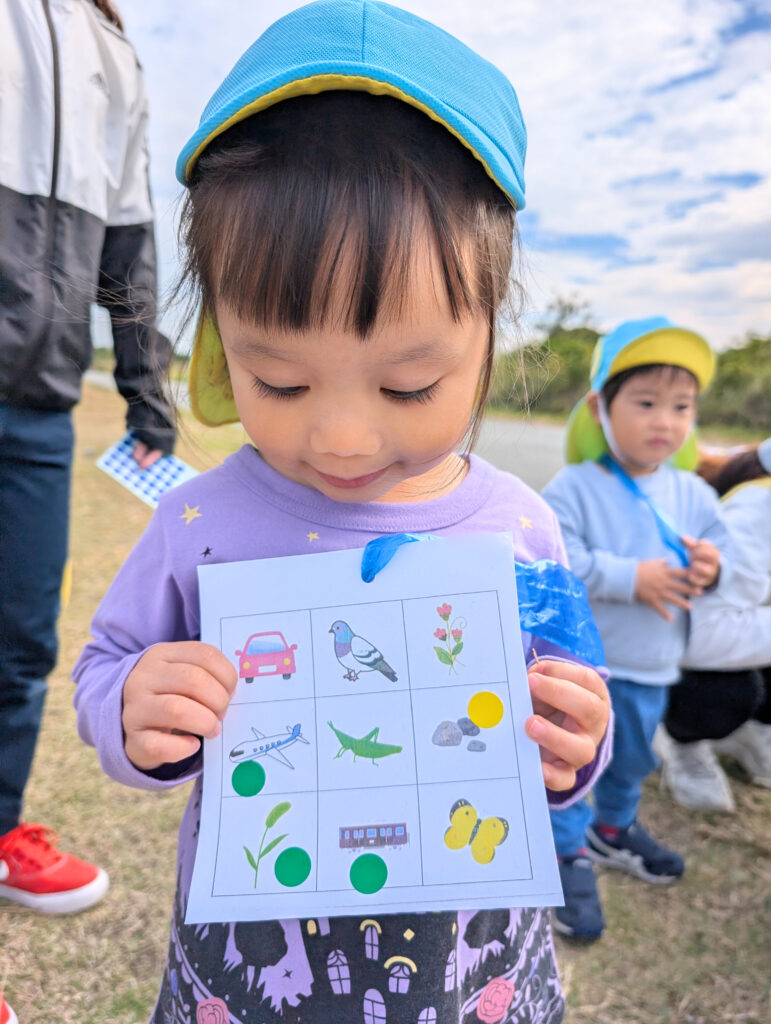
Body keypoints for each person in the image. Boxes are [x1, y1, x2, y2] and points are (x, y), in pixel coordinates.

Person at [72, 3, 611, 1020]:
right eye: (278, 380)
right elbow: (105, 670)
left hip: (471, 973)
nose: (344, 440)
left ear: (488, 330)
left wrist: (577, 747)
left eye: (408, 387)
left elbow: (569, 736)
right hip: (252, 974)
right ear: (221, 344)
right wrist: (136, 707)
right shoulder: (199, 524)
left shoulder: (523, 532)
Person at [0, 0, 175, 955]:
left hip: (41, 406)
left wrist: (148, 395)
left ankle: (1, 829)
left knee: (23, 644)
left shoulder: (118, 56)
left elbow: (126, 252)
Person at [542, 317, 732, 941]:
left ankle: (614, 829)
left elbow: (722, 555)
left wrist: (710, 566)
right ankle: (566, 854)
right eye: (646, 403)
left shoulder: (694, 493)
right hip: (588, 667)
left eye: (681, 407)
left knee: (629, 764)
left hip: (653, 666)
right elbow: (558, 558)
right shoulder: (575, 487)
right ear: (601, 408)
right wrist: (633, 579)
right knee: (573, 766)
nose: (665, 421)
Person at [655, 438, 771, 813]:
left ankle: (753, 730)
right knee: (729, 693)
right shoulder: (756, 511)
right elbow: (699, 636)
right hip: (672, 641)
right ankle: (681, 738)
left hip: (730, 626)